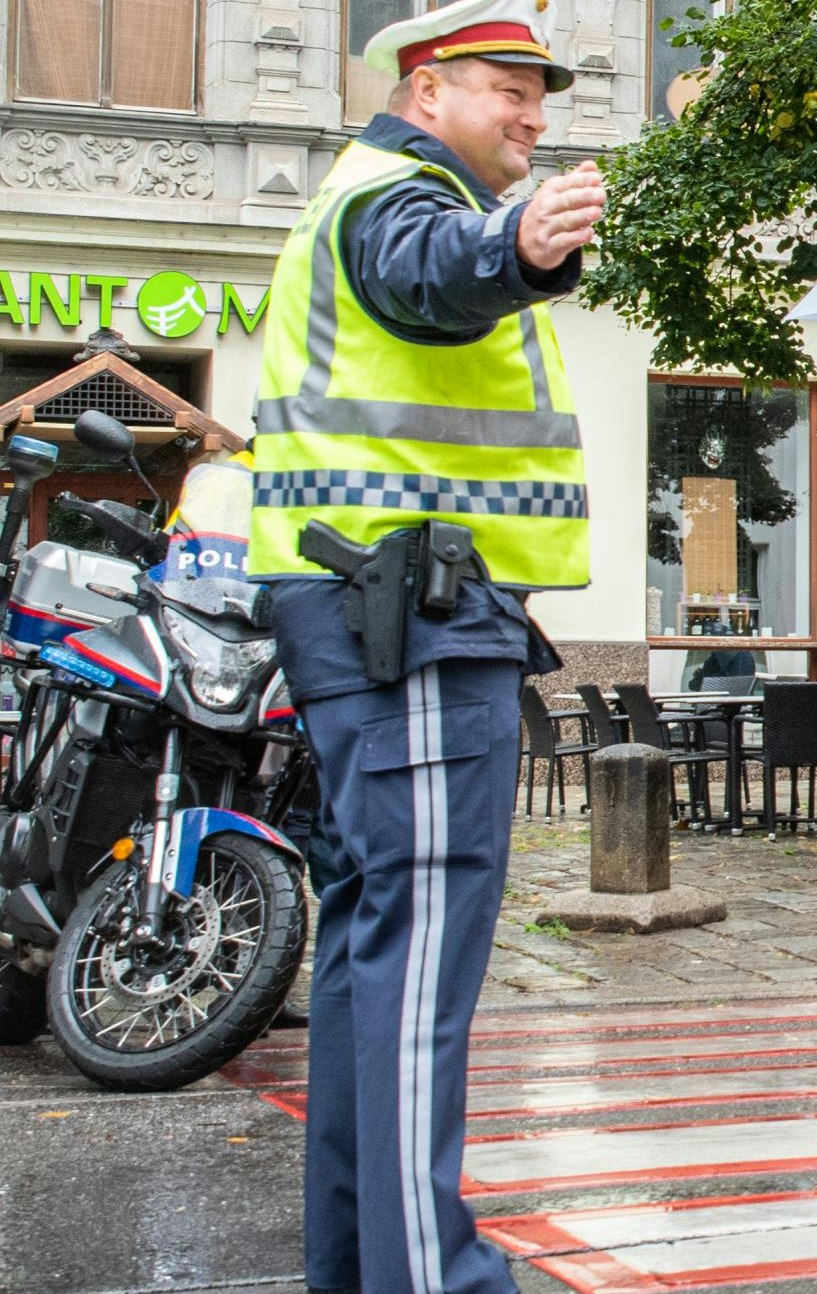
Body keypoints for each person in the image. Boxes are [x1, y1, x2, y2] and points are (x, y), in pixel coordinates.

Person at [244, 1, 601, 1291]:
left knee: (371, 950)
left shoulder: (364, 193)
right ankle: (432, 1277)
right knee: (418, 964)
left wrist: (504, 242)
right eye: (509, 86)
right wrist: (517, 243)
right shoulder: (392, 196)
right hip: (409, 617)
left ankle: (364, 1264)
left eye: (541, 92)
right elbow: (434, 271)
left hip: (382, 608)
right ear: (429, 82)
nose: (533, 113)